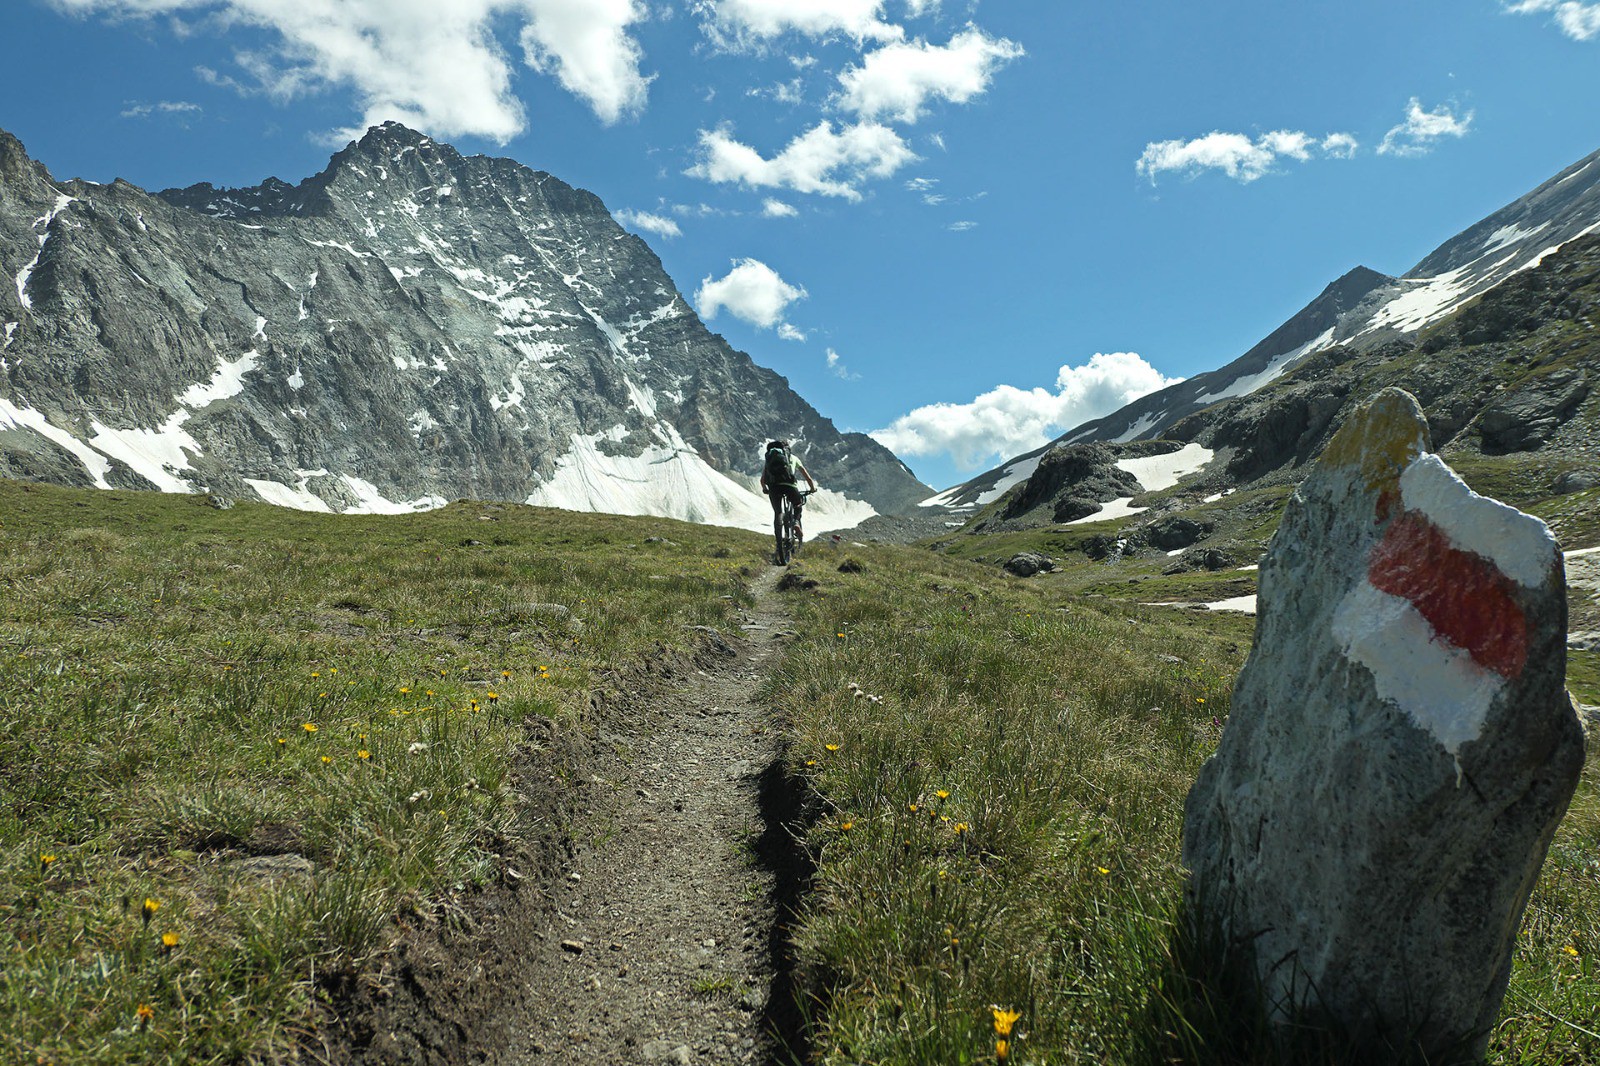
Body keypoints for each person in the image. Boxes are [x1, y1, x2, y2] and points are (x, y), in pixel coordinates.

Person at [759, 439, 817, 543]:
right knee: (797, 504)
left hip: (774, 487)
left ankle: (779, 541)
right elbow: (807, 477)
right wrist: (812, 489)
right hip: (790, 486)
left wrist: (765, 489)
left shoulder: (770, 459)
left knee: (778, 513)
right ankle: (795, 522)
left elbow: (762, 479)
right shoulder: (794, 458)